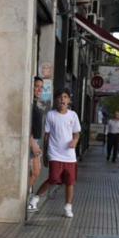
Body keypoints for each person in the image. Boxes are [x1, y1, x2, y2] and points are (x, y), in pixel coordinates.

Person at [27, 89, 81, 218]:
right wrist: (45, 154)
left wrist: (75, 141)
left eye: (65, 97)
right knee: (53, 179)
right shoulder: (51, 115)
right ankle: (35, 199)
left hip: (69, 156)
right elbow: (46, 136)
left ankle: (68, 207)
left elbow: (77, 134)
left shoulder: (73, 115)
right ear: (56, 100)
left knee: (70, 182)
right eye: (60, 97)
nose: (62, 99)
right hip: (55, 153)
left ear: (69, 100)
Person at [28, 77, 45, 194]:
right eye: (36, 86)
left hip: (36, 141)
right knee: (35, 172)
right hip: (31, 141)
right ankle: (24, 198)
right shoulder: (30, 104)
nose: (39, 90)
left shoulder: (36, 103)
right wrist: (33, 143)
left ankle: (26, 195)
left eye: (41, 87)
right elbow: (27, 125)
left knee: (36, 172)